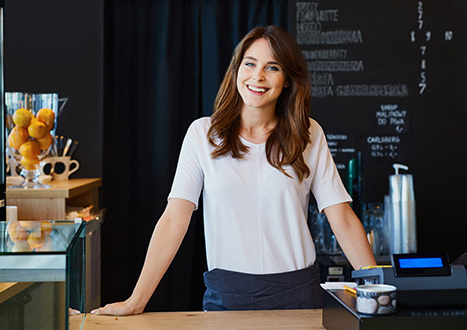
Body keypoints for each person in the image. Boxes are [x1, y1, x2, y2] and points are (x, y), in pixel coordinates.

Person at [91, 25, 376, 315]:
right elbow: (174, 220)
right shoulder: (202, 134)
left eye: (272, 67)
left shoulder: (308, 134)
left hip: (299, 294)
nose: (258, 76)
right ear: (236, 70)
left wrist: (376, 292)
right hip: (227, 297)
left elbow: (341, 217)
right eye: (250, 64)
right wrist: (135, 301)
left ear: (288, 79)